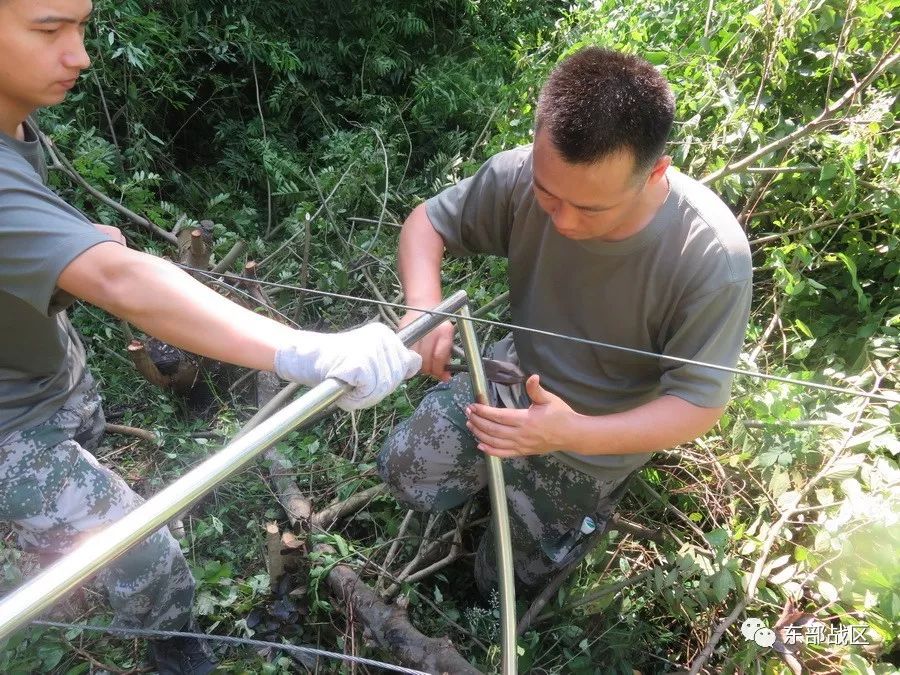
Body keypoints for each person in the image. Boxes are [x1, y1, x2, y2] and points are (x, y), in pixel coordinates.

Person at [0, 1, 420, 672]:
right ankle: (176, 653)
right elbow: (121, 280)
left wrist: (66, 251)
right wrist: (308, 350)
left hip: (45, 372)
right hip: (9, 426)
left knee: (87, 441)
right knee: (143, 550)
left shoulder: (15, 116)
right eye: (50, 30)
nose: (79, 53)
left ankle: (50, 548)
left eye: (80, 26)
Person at [378, 47, 753, 597]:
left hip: (592, 447)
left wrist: (571, 431)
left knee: (500, 589)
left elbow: (699, 403)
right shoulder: (521, 174)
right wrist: (424, 304)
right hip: (507, 389)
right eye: (549, 196)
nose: (566, 221)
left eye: (592, 209)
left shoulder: (709, 257)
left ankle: (532, 529)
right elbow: (426, 223)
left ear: (655, 173)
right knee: (402, 472)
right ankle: (489, 495)